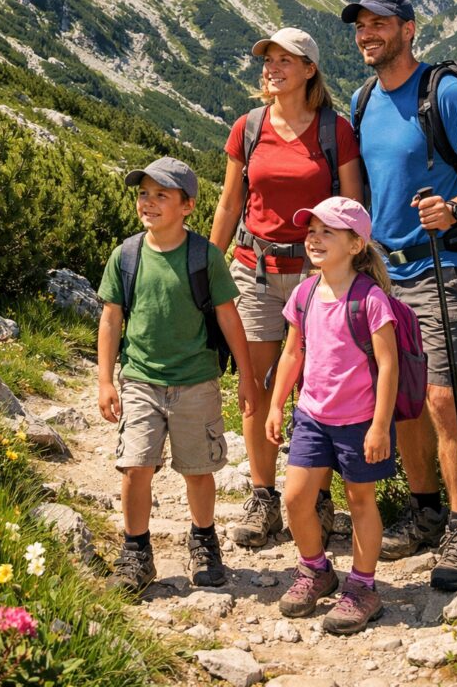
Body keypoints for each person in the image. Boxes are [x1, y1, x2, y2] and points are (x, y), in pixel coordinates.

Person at [341, 0, 457, 591]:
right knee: (405, 395)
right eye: (361, 27)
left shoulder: (446, 93)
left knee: (442, 397)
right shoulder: (364, 101)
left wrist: (455, 208)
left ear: (409, 29)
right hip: (385, 272)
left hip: (444, 262)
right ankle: (425, 510)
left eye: (379, 24)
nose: (367, 35)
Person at [210, 28, 362, 547]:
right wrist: (207, 267)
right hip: (254, 270)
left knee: (314, 388)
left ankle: (314, 494)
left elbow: (352, 211)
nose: (272, 67)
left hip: (317, 277)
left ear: (309, 70)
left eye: (284, 60)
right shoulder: (247, 128)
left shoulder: (333, 131)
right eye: (268, 60)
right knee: (254, 387)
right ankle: (262, 495)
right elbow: (230, 205)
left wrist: (348, 273)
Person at [97, 156, 258, 594]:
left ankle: (204, 539)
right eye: (143, 193)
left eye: (161, 195)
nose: (148, 203)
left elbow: (228, 317)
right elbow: (111, 318)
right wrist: (106, 380)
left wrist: (245, 375)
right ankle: (136, 551)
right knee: (134, 466)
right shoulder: (126, 255)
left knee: (198, 469)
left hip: (197, 381)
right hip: (140, 381)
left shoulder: (205, 257)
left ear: (187, 206)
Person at [266, 196, 398, 635]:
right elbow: (292, 353)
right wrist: (276, 403)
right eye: (312, 231)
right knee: (296, 498)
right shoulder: (304, 294)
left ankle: (363, 587)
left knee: (360, 501)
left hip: (360, 421)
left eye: (328, 232)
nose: (315, 239)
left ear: (356, 244)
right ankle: (316, 570)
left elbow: (389, 367)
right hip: (312, 417)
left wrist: (380, 425)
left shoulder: (371, 299)